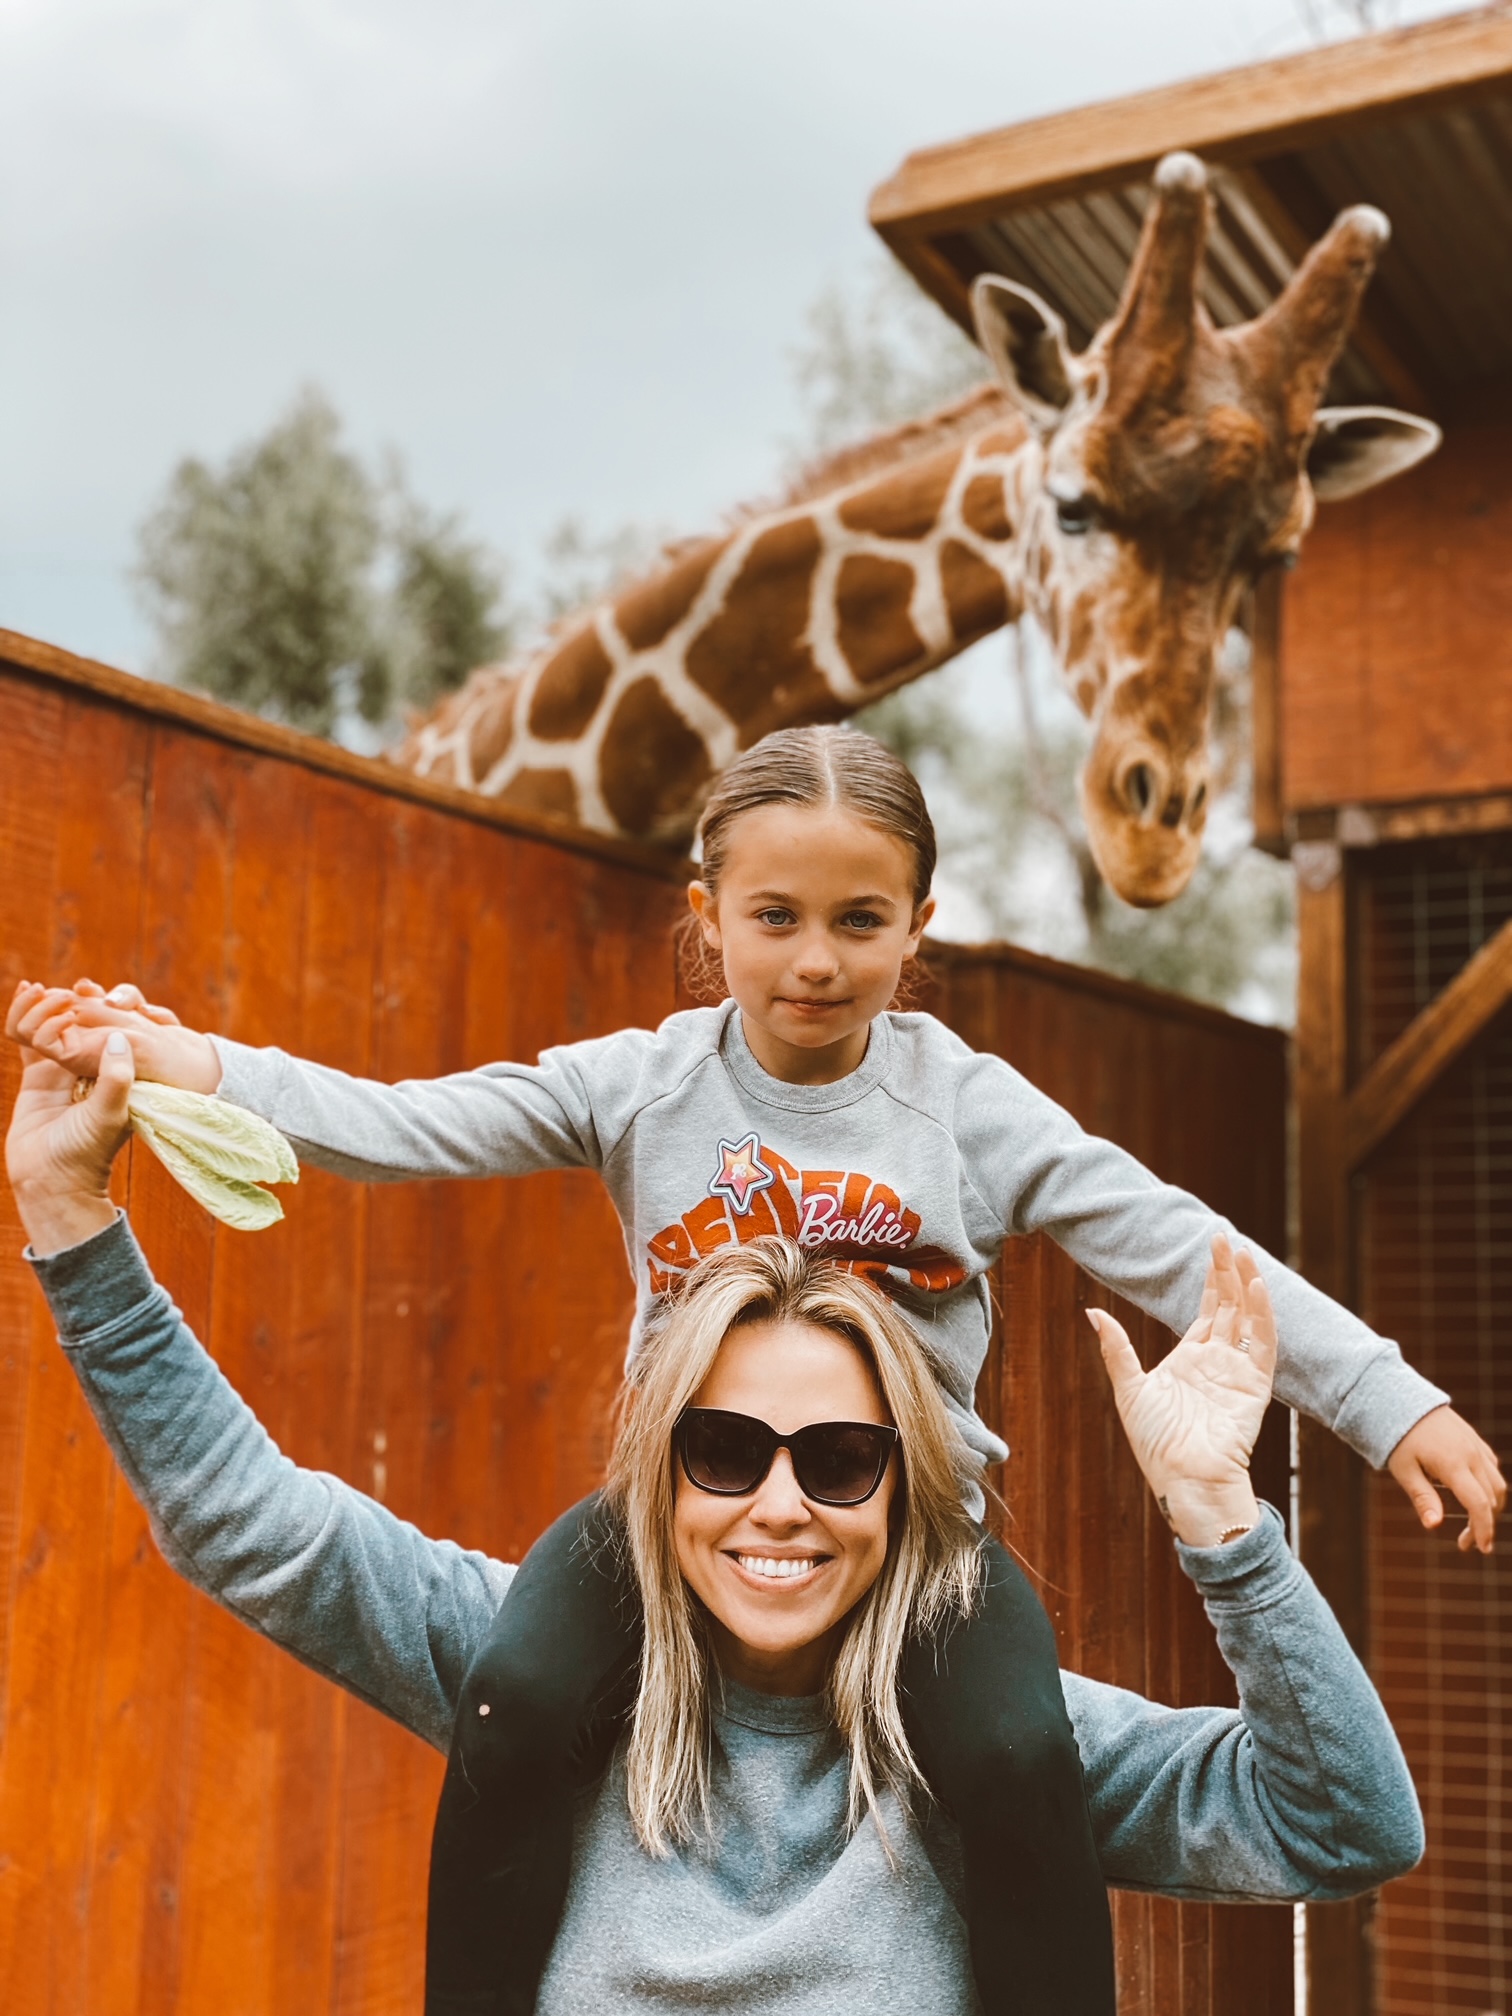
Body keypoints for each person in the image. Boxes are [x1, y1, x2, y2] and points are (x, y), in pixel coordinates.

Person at [6, 724, 1500, 2016]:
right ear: (708, 915)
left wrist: (1387, 1407)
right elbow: (398, 1123)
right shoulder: (643, 1083)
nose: (816, 959)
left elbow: (1190, 1253)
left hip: (927, 1560)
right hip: (653, 1539)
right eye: (775, 917)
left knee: (1010, 1743)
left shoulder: (968, 1112)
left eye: (861, 920)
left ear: (921, 924)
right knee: (517, 1689)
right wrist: (181, 1067)